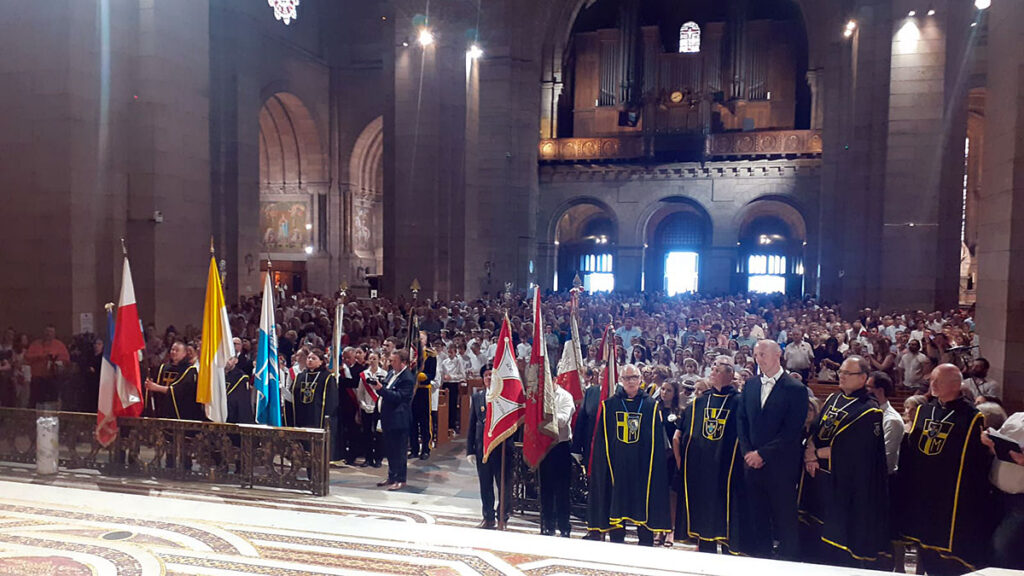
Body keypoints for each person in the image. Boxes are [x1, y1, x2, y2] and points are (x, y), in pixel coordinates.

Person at [895, 364, 993, 575]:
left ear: (955, 385)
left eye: (937, 381)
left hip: (949, 495)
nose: (932, 385)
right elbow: (911, 449)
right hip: (922, 490)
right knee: (919, 545)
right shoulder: (923, 410)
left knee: (944, 557)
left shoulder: (972, 417)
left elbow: (975, 463)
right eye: (932, 380)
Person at [797, 356, 888, 567]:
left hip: (845, 485)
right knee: (814, 537)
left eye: (848, 373)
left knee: (837, 543)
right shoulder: (833, 399)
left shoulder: (869, 410)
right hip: (818, 478)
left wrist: (815, 454)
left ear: (863, 378)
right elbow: (816, 429)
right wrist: (810, 450)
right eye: (842, 372)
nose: (842, 376)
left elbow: (855, 451)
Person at [586, 364, 671, 546]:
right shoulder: (609, 406)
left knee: (644, 508)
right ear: (620, 381)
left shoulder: (651, 406)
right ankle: (617, 546)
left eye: (634, 377)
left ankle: (645, 546)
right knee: (617, 509)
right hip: (617, 467)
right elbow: (602, 442)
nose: (631, 381)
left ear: (640, 379)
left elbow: (657, 442)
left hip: (643, 468)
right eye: (627, 378)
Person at [737, 339, 806, 560]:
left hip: (780, 466)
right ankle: (761, 559)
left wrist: (763, 454)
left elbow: (792, 430)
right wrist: (749, 452)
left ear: (778, 355)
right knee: (757, 516)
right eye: (756, 355)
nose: (758, 359)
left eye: (763, 354)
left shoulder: (795, 388)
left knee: (784, 518)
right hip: (752, 464)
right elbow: (742, 421)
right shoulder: (751, 385)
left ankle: (788, 563)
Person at [676, 355, 743, 553]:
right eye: (712, 368)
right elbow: (686, 434)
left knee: (728, 515)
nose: (712, 372)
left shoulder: (740, 402)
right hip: (703, 469)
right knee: (704, 521)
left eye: (717, 369)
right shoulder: (699, 403)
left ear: (730, 374)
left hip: (729, 470)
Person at [466, 365, 512, 529]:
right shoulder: (478, 397)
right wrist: (470, 449)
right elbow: (472, 424)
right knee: (485, 485)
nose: (489, 378)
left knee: (504, 485)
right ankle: (488, 517)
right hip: (483, 448)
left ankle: (503, 517)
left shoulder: (505, 397)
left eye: (492, 375)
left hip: (502, 448)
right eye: (486, 375)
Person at [980, 411, 1024, 569]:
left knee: (1002, 547)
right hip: (995, 492)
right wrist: (989, 439)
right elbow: (997, 447)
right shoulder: (1016, 416)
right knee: (987, 542)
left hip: (1020, 499)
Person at [373, 349, 415, 491]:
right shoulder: (392, 373)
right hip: (388, 418)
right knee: (390, 450)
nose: (390, 363)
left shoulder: (407, 378)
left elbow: (398, 397)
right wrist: (379, 386)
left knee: (399, 451)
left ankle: (400, 479)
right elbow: (387, 388)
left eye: (394, 361)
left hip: (399, 419)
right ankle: (391, 476)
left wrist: (381, 390)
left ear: (403, 362)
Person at [539, 384, 575, 537]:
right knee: (545, 488)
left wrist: (544, 414)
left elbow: (562, 420)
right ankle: (548, 525)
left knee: (562, 490)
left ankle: (564, 526)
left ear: (554, 379)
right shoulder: (539, 396)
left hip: (560, 446)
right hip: (543, 446)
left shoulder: (565, 396)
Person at [144, 340, 203, 420]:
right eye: (172, 349)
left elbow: (178, 391)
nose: (173, 352)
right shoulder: (163, 368)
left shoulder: (189, 370)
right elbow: (154, 388)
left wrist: (156, 387)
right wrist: (149, 385)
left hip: (181, 413)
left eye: (177, 350)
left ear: (184, 353)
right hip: (163, 411)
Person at [285, 349, 338, 430]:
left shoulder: (327, 377)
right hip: (302, 415)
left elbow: (331, 401)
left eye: (313, 358)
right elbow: (293, 396)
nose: (310, 360)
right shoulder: (300, 376)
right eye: (308, 358)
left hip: (317, 416)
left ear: (321, 362)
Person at [24, 325, 70, 407]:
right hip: (37, 378)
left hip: (53, 378)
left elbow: (66, 360)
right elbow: (27, 357)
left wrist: (56, 362)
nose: (48, 334)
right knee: (36, 401)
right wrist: (42, 356)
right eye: (47, 331)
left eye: (51, 332)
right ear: (43, 332)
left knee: (52, 401)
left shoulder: (59, 345)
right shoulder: (35, 344)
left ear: (54, 333)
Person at [356, 352, 387, 468]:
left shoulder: (384, 374)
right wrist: (363, 405)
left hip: (379, 408)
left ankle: (378, 458)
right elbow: (360, 392)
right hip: (366, 408)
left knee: (379, 434)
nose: (372, 360)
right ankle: (368, 458)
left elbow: (385, 392)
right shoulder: (364, 374)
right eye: (370, 358)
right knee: (367, 433)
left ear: (379, 360)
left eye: (375, 358)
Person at [410, 332, 437, 460]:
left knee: (425, 421)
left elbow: (432, 374)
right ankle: (414, 449)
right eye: (417, 338)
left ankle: (426, 448)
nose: (419, 340)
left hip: (423, 390)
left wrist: (421, 376)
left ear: (426, 340)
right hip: (412, 391)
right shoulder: (411, 355)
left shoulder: (431, 355)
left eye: (422, 338)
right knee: (412, 421)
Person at [225, 356, 254, 424]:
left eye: (230, 359)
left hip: (233, 418)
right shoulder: (216, 375)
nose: (227, 362)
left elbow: (242, 404)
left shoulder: (241, 378)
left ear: (236, 360)